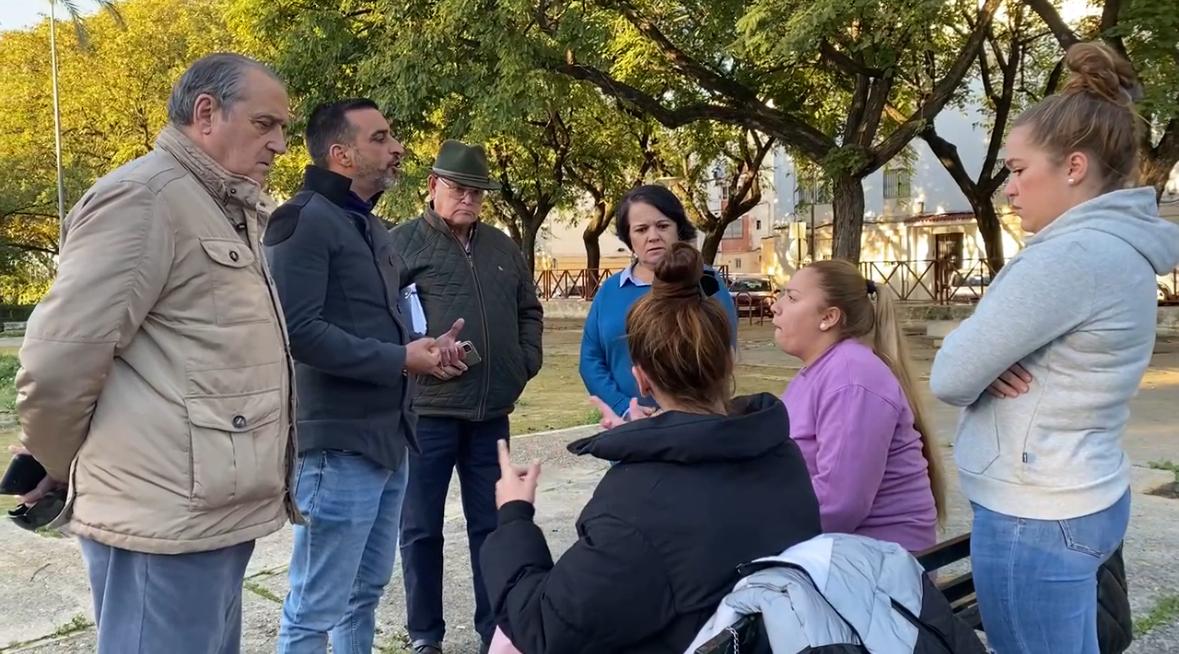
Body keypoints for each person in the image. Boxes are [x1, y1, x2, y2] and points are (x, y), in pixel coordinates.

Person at [13, 53, 295, 654]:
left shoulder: (223, 206)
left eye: (284, 129)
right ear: (206, 113)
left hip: (208, 511)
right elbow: (60, 360)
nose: (280, 144)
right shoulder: (144, 198)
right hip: (160, 519)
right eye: (266, 124)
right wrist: (54, 463)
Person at [929, 42, 1179, 654]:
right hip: (1075, 491)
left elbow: (951, 375)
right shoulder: (1113, 247)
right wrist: (990, 359)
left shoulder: (1069, 256)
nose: (1008, 187)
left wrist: (981, 361)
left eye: (1017, 169)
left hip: (1035, 512)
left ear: (1072, 167)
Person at [480, 242, 822, 654]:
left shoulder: (638, 501)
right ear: (730, 360)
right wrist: (655, 440)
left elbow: (542, 628)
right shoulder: (782, 456)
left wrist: (514, 516)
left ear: (640, 379)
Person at [263, 99, 452, 653]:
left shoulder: (369, 225)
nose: (397, 148)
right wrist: (400, 359)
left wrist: (429, 351)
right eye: (381, 137)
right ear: (341, 153)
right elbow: (298, 332)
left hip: (388, 440)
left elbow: (378, 323)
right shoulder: (299, 220)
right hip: (336, 446)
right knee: (314, 607)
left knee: (363, 594)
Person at [389, 139, 544, 654]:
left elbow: (530, 311)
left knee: (493, 527)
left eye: (478, 192)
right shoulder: (399, 245)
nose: (469, 200)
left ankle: (492, 631)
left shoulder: (503, 248)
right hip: (426, 412)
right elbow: (382, 323)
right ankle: (425, 635)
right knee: (420, 528)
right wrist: (415, 354)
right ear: (432, 185)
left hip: (489, 413)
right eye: (458, 188)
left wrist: (524, 363)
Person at [771, 260, 944, 552]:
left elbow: (840, 506)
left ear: (828, 317)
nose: (776, 306)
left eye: (792, 297)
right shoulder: (822, 370)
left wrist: (755, 525)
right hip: (838, 557)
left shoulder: (852, 377)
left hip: (873, 571)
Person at [579, 184, 738, 418]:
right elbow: (590, 360)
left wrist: (684, 412)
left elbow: (724, 351)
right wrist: (624, 408)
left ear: (678, 229)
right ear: (628, 237)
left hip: (697, 422)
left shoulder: (707, 281)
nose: (653, 237)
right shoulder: (611, 290)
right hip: (629, 427)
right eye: (641, 230)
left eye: (662, 226)